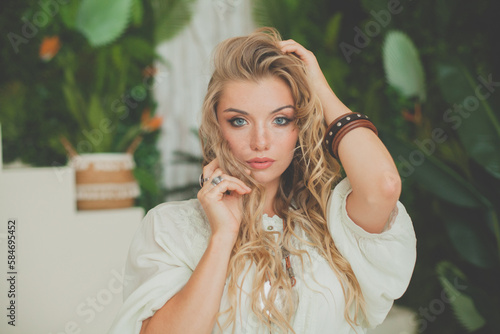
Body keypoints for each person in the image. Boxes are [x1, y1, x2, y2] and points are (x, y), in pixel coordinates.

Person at [107, 27, 416, 334]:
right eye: (239, 121)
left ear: (300, 126)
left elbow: (384, 186)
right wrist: (223, 236)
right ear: (217, 127)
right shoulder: (170, 228)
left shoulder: (333, 223)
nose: (260, 141)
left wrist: (318, 87)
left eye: (280, 119)